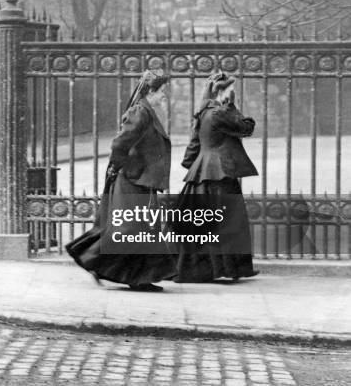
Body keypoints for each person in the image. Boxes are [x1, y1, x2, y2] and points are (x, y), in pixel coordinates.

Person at [65, 70, 177, 291]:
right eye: (162, 91)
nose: (164, 95)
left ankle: (132, 276)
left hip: (141, 180)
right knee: (131, 229)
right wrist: (124, 167)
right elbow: (119, 144)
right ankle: (96, 261)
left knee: (138, 228)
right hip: (133, 180)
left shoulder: (146, 111)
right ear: (151, 91)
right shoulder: (140, 111)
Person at [174, 72, 259, 282]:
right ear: (221, 92)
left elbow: (193, 146)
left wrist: (193, 165)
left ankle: (203, 270)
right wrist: (232, 106)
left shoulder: (203, 112)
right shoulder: (220, 113)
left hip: (202, 173)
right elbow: (246, 127)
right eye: (231, 89)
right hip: (219, 173)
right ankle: (230, 269)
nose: (234, 93)